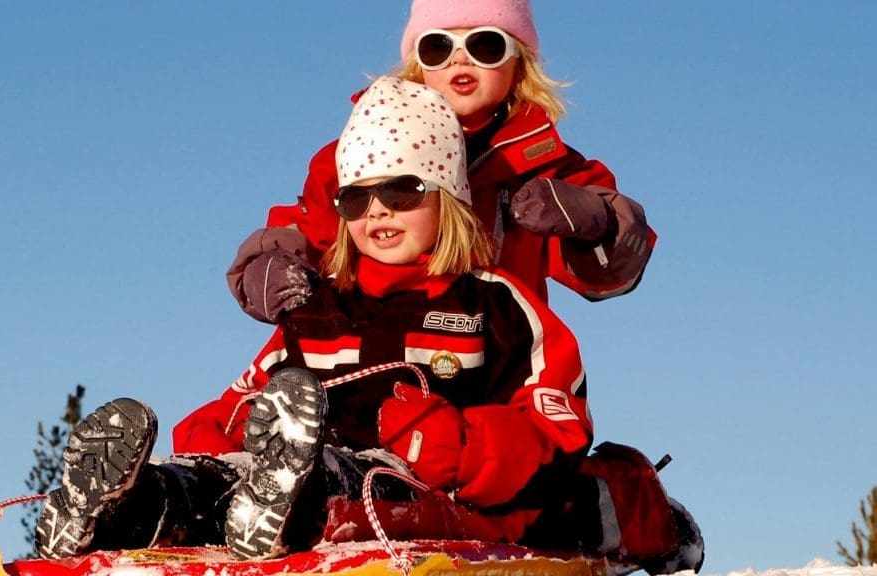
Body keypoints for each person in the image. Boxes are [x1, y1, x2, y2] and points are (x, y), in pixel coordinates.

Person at [34, 77, 702, 574]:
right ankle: (131, 506)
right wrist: (223, 434)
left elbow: (557, 432)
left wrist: (461, 444)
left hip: (414, 486)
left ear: (449, 200)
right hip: (287, 467)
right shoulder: (321, 308)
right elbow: (240, 398)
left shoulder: (494, 304)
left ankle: (282, 498)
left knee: (346, 485)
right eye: (358, 197)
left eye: (403, 190)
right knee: (220, 479)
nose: (379, 209)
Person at [228, 0, 656, 326]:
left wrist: (595, 221)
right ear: (418, 63)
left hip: (497, 353)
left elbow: (610, 274)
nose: (460, 58)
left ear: (518, 61)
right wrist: (269, 267)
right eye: (438, 46)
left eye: (485, 44)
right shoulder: (364, 150)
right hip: (376, 340)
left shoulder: (546, 165)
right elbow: (313, 228)